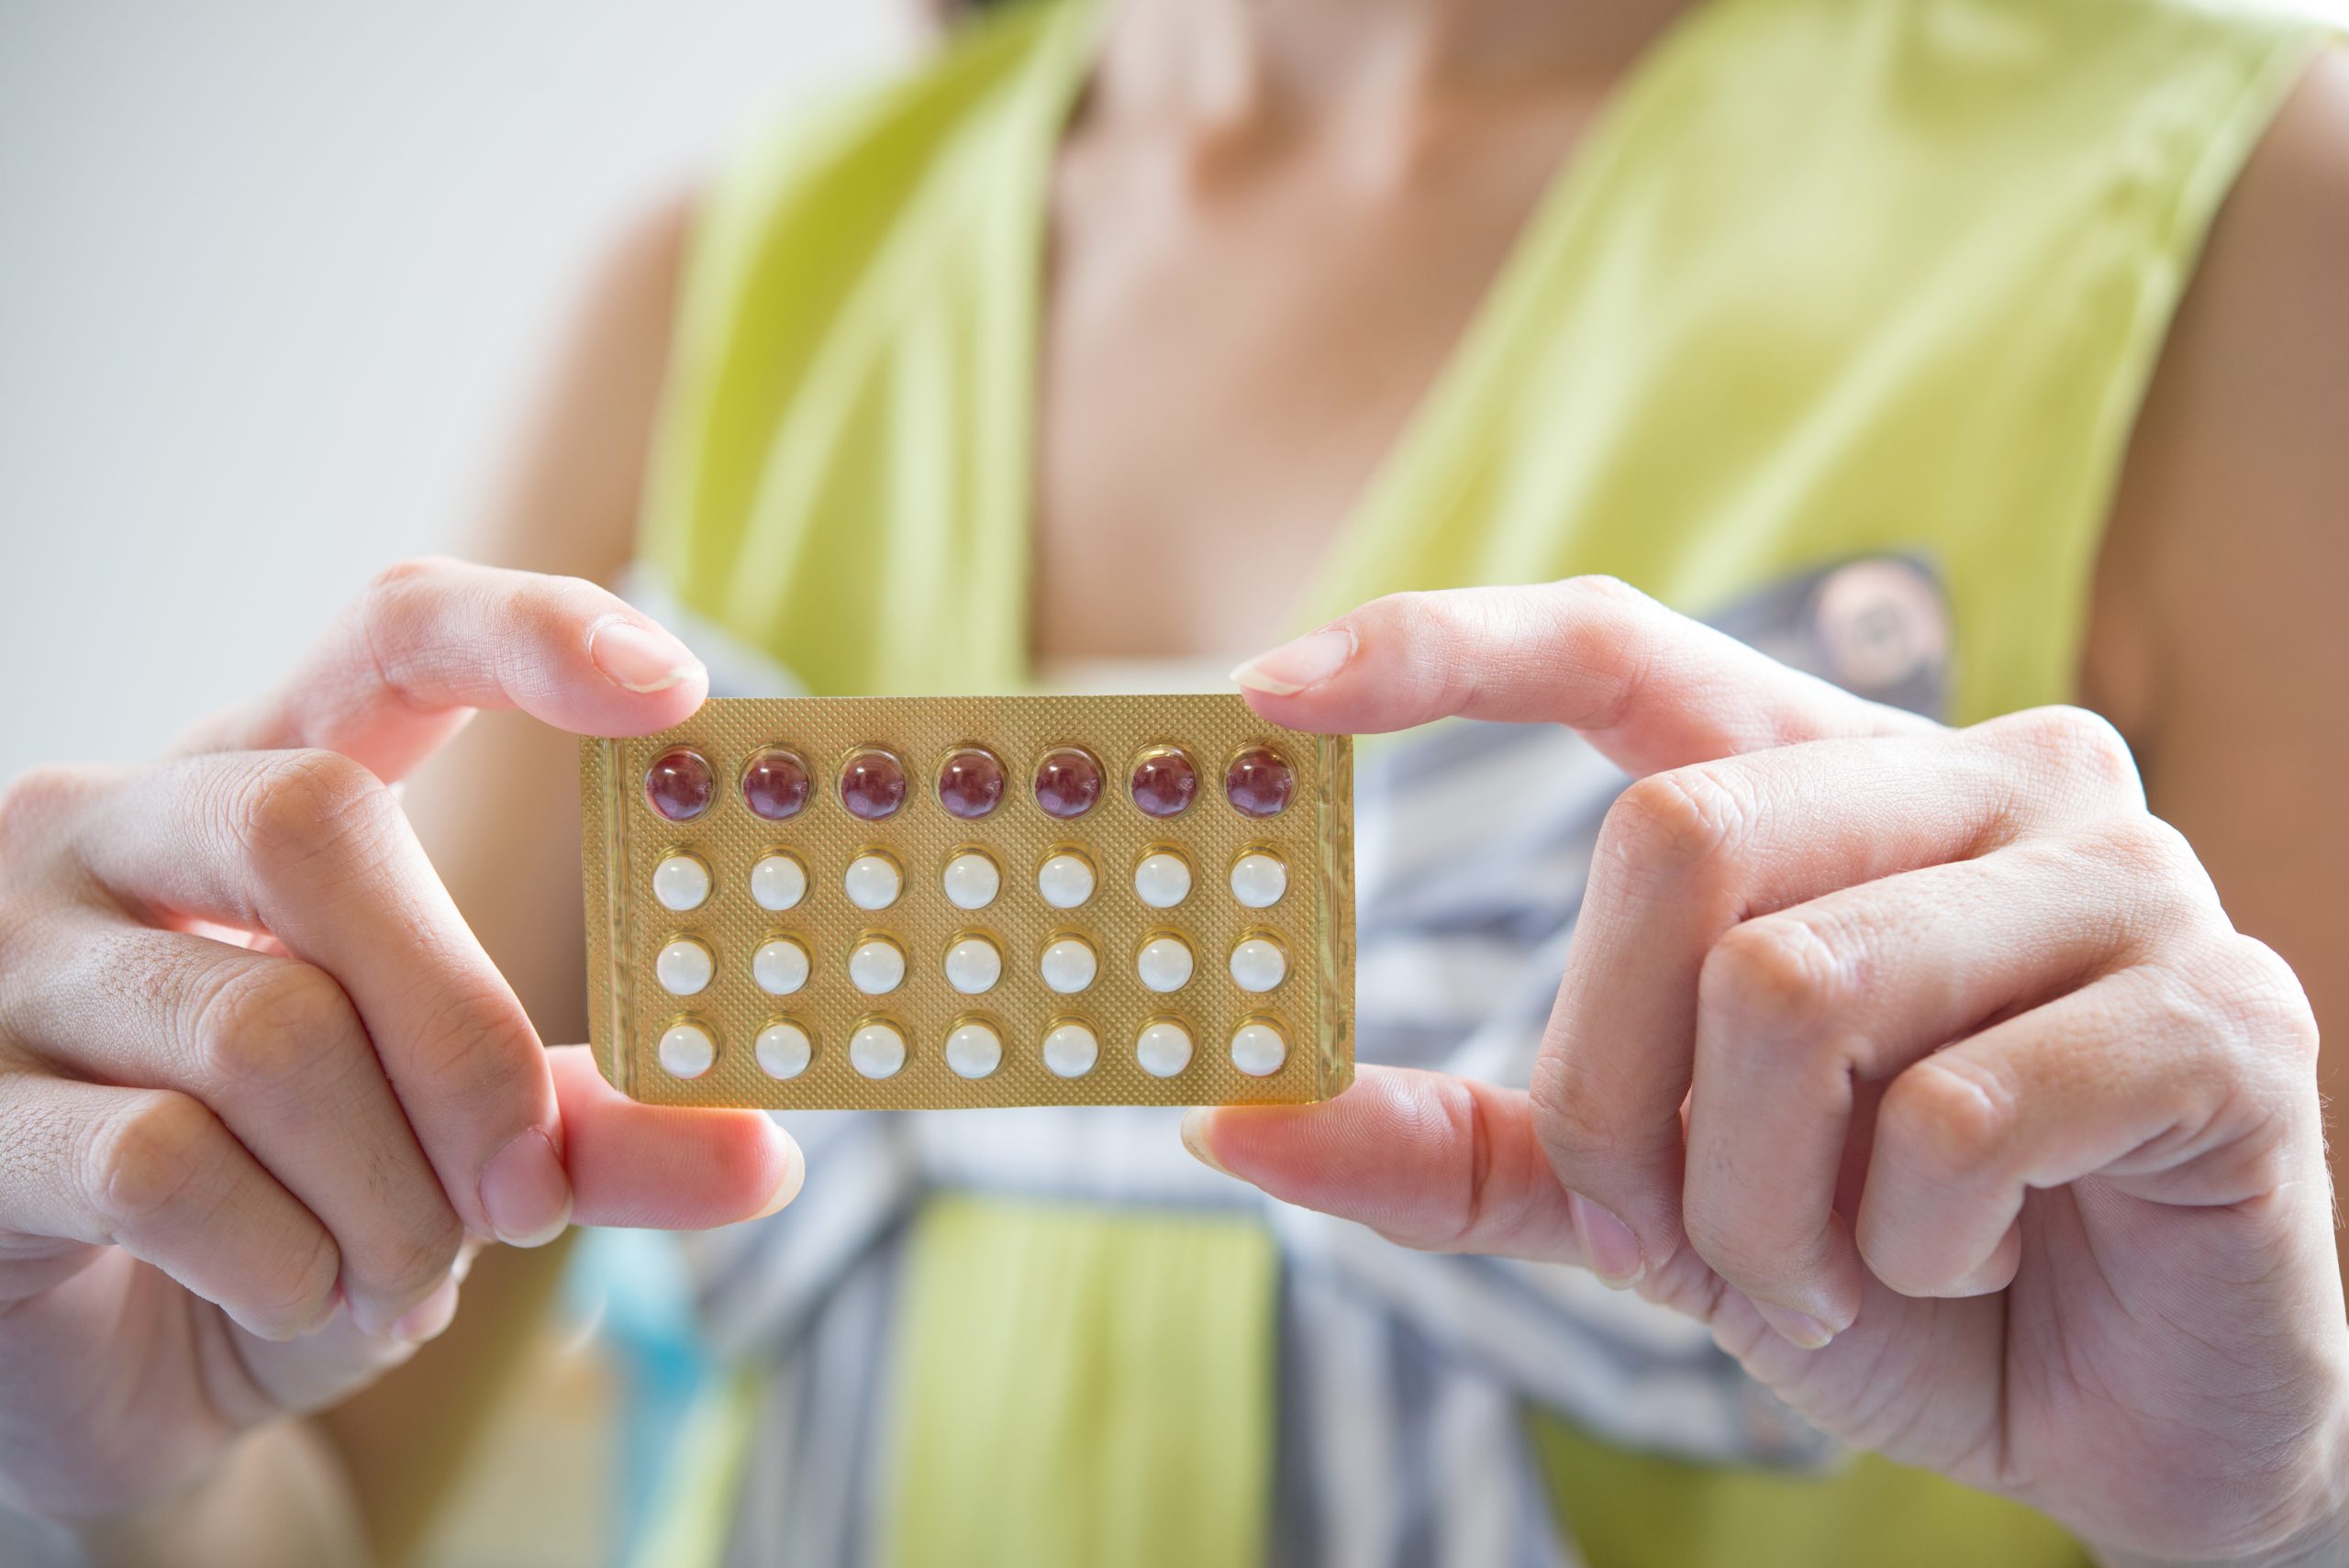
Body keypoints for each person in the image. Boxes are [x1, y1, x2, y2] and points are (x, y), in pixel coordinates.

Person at [2, 0, 2346, 1563]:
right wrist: (103, 1412)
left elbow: (2259, 1443)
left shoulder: (2246, 233)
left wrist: (2290, 1500)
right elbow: (299, 1490)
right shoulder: (720, 283)